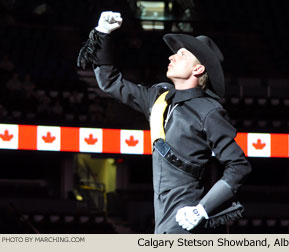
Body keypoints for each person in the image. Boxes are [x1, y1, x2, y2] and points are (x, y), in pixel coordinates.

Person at [78, 11, 251, 234]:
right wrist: (102, 35)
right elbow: (109, 82)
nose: (171, 57)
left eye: (181, 54)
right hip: (163, 219)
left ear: (198, 69)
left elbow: (239, 166)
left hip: (186, 218)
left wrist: (202, 210)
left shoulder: (210, 111)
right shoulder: (159, 97)